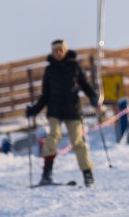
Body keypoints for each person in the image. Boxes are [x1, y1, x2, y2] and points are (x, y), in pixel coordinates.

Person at [25, 39, 100, 187]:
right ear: (52, 52)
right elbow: (45, 94)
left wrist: (92, 96)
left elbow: (84, 84)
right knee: (53, 137)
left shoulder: (74, 66)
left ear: (65, 50)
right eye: (55, 50)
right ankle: (47, 174)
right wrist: (34, 110)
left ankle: (87, 174)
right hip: (55, 111)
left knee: (78, 141)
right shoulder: (50, 70)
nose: (58, 53)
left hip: (73, 110)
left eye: (60, 50)